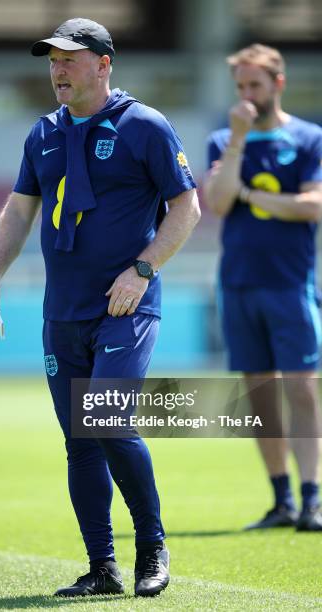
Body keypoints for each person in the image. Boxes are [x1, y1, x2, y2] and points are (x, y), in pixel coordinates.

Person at [0, 17, 200, 597]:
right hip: (62, 312)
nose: (57, 71)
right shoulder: (42, 132)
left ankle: (152, 547)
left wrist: (142, 270)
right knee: (79, 440)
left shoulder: (143, 125)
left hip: (126, 307)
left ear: (103, 64)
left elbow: (186, 208)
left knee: (107, 423)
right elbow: (19, 209)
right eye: (52, 61)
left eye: (69, 59)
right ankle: (102, 568)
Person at [203, 44, 322, 531]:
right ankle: (281, 499)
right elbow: (216, 203)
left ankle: (312, 498)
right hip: (238, 283)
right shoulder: (223, 140)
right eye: (240, 87)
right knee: (258, 394)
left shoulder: (308, 138)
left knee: (302, 388)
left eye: (255, 84)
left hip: (291, 284)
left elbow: (312, 206)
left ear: (278, 82)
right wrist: (236, 141)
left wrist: (250, 193)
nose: (247, 95)